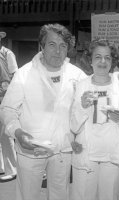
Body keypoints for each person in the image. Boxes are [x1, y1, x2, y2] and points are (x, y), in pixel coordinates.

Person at [0, 23, 86, 200]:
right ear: (42, 45)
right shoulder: (24, 74)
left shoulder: (77, 75)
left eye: (63, 46)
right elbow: (8, 109)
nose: (58, 51)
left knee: (60, 195)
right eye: (52, 44)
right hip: (31, 149)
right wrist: (17, 133)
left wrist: (117, 79)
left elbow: (94, 97)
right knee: (27, 195)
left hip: (63, 150)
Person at [70, 39, 119, 200]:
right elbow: (74, 126)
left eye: (107, 57)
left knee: (109, 196)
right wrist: (81, 106)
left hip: (113, 155)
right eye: (98, 57)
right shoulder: (81, 85)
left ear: (112, 61)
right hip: (86, 154)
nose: (103, 61)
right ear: (90, 60)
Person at [0, 30, 18, 182]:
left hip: (4, 98)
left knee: (6, 135)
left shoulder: (7, 53)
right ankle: (2, 166)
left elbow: (15, 75)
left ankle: (11, 169)